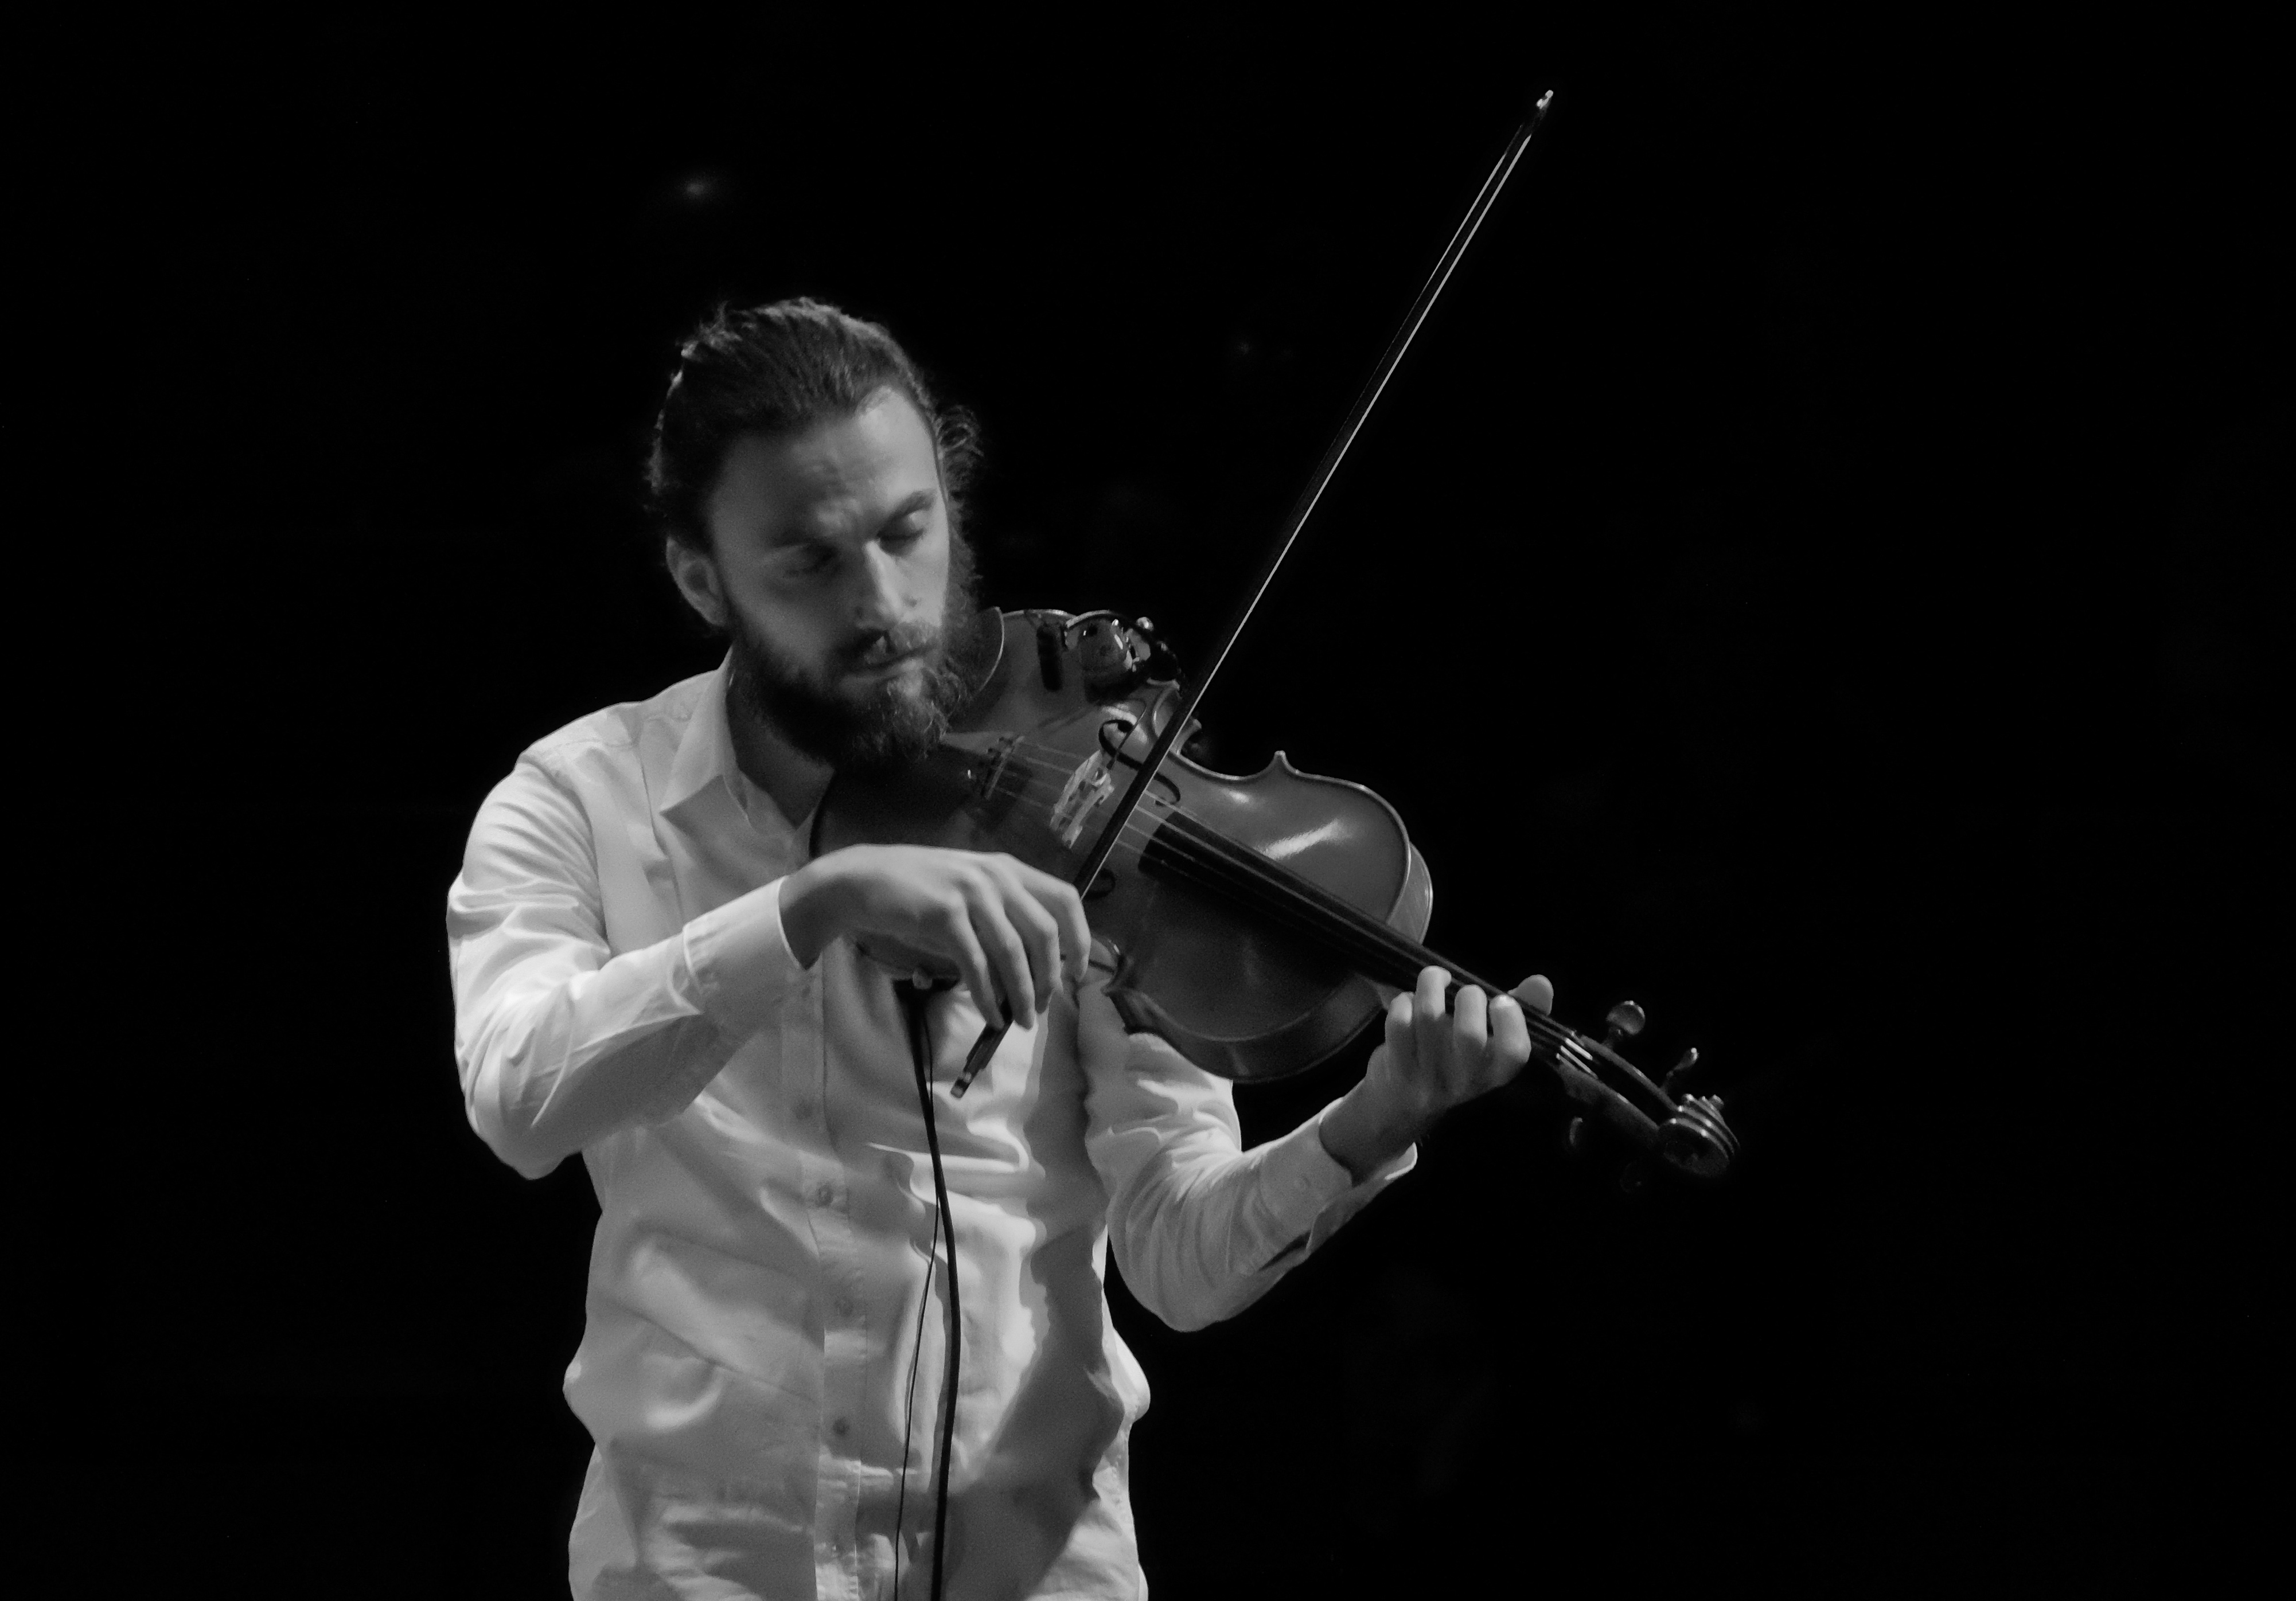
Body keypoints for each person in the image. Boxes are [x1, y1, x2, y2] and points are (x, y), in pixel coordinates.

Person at [447, 298, 1553, 1600]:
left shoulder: (1084, 794)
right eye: (808, 563)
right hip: (699, 1567)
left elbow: (1176, 1255)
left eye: (909, 533)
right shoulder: (581, 798)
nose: (884, 605)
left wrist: (1369, 1124)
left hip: (1036, 1567)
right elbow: (519, 1094)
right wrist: (813, 905)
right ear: (704, 579)